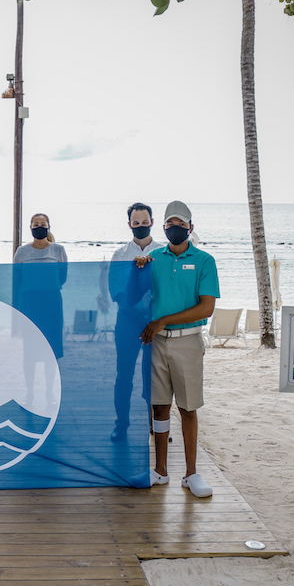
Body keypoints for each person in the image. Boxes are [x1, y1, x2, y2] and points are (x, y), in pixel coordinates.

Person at [131, 201, 219, 497]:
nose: (174, 229)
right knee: (159, 406)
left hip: (188, 341)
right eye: (169, 225)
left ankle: (191, 474)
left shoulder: (205, 260)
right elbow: (134, 295)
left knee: (188, 407)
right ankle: (160, 471)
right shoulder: (154, 257)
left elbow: (206, 306)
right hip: (157, 343)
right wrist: (137, 270)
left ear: (190, 228)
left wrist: (163, 320)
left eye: (181, 225)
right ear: (163, 227)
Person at [109, 203, 157, 442]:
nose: (140, 226)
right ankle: (122, 425)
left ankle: (154, 426)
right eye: (136, 223)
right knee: (124, 375)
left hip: (155, 323)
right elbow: (115, 291)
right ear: (129, 225)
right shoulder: (120, 254)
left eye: (144, 222)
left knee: (154, 376)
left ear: (152, 222)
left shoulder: (163, 252)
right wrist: (135, 309)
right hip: (127, 322)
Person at [12, 213, 68, 404]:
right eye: (36, 224)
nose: (39, 227)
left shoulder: (59, 250)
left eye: (42, 224)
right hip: (29, 303)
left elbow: (62, 278)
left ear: (49, 227)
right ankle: (29, 392)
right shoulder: (21, 252)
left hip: (52, 302)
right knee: (30, 350)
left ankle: (49, 392)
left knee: (51, 351)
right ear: (30, 227)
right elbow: (18, 279)